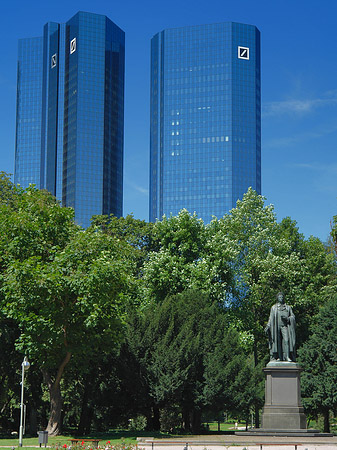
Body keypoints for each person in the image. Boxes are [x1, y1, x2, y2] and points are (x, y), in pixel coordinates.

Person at [265, 292, 296, 362]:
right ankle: (278, 357)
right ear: (277, 298)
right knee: (277, 341)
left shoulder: (288, 307)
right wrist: (268, 325)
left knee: (286, 340)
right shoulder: (274, 308)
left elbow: (293, 316)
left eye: (282, 297)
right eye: (279, 297)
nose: (281, 298)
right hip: (276, 327)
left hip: (285, 326)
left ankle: (287, 356)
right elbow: (271, 318)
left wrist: (288, 318)